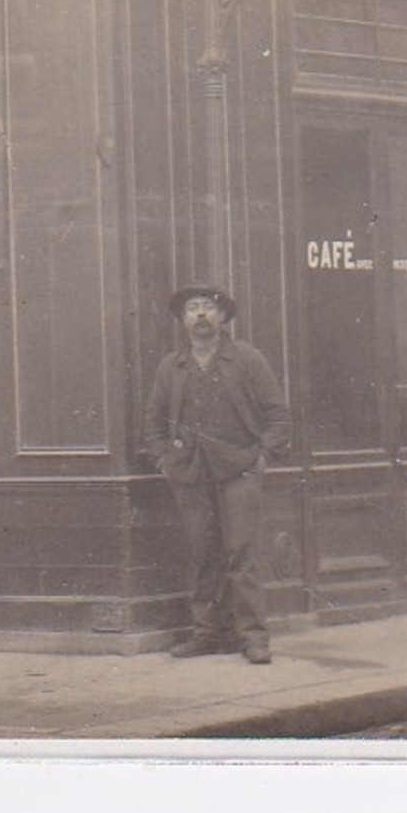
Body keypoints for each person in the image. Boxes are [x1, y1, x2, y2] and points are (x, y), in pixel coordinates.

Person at [142, 285, 291, 665]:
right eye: (193, 309)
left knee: (242, 553)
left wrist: (261, 457)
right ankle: (207, 634)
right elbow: (154, 422)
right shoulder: (171, 367)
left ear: (223, 317)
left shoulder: (247, 359)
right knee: (203, 554)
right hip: (191, 474)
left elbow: (277, 415)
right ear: (183, 320)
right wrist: (163, 460)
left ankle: (253, 637)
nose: (201, 315)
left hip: (238, 471)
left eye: (209, 308)